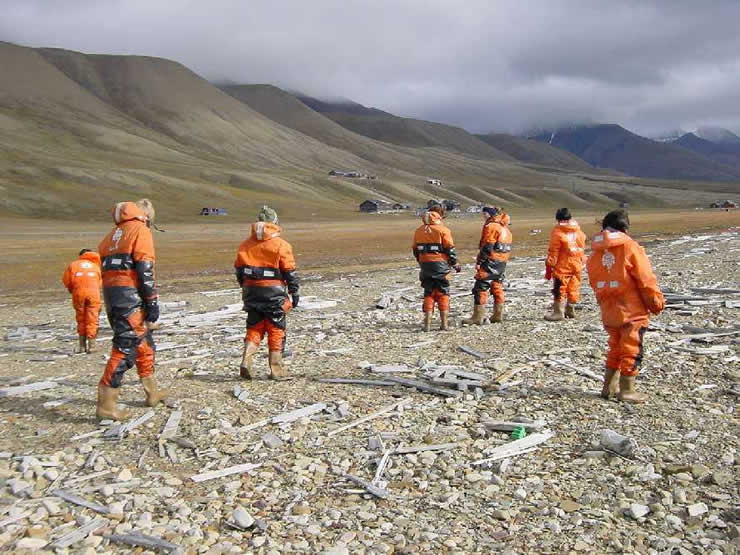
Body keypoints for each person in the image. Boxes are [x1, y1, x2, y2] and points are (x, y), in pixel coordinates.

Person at [96, 199, 167, 420]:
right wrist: (152, 304)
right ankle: (106, 405)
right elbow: (145, 269)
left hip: (113, 295)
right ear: (145, 215)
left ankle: (151, 392)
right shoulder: (140, 231)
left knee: (144, 344)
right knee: (126, 347)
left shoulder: (111, 236)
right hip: (130, 296)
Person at [587, 209, 664, 403]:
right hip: (631, 309)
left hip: (608, 307)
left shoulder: (596, 251)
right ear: (625, 227)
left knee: (615, 346)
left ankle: (608, 387)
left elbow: (593, 279)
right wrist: (656, 302)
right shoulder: (630, 247)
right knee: (631, 347)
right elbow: (645, 278)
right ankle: (627, 390)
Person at [235, 206, 299, 381]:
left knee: (254, 327)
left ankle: (246, 361)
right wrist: (294, 292)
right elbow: (289, 271)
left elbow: (239, 271)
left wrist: (246, 287)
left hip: (251, 293)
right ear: (275, 223)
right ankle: (276, 369)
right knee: (276, 329)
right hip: (274, 295)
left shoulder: (245, 245)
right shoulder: (282, 245)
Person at [412, 203, 461, 331]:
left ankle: (426, 325)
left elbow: (415, 249)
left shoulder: (418, 230)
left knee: (428, 292)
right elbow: (449, 248)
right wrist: (455, 263)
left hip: (425, 264)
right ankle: (444, 324)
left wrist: (421, 261)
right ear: (440, 216)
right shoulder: (443, 230)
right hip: (441, 265)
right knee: (443, 292)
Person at [463, 206, 512, 324]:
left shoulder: (491, 227)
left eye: (484, 214)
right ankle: (498, 314)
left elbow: (488, 246)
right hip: (502, 261)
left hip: (491, 261)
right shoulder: (505, 228)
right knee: (497, 286)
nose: (483, 216)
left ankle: (477, 317)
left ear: (489, 214)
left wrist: (480, 261)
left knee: (481, 286)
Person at [544, 208, 587, 321]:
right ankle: (570, 309)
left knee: (560, 287)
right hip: (577, 262)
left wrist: (550, 264)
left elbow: (554, 250)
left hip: (564, 264)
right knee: (574, 286)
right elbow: (582, 248)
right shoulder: (579, 231)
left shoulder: (558, 232)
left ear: (558, 219)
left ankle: (558, 312)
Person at [61, 249, 102, 354]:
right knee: (92, 318)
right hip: (93, 293)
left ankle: (82, 346)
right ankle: (92, 346)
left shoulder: (73, 265)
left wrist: (72, 290)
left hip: (79, 293)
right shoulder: (96, 266)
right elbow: (100, 282)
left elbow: (67, 280)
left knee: (81, 318)